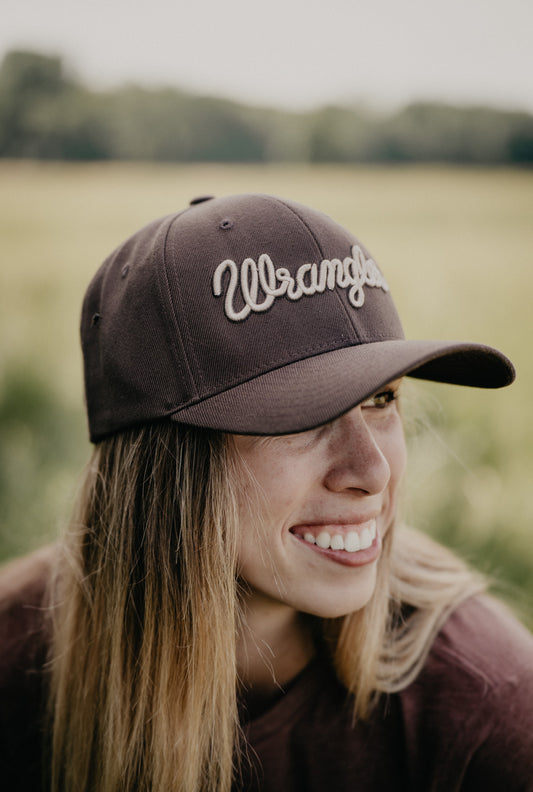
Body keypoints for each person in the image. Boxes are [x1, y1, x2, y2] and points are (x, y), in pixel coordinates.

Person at [1, 193, 532, 792]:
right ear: (162, 472)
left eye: (382, 399)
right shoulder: (15, 660)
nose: (374, 471)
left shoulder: (489, 707)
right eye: (304, 415)